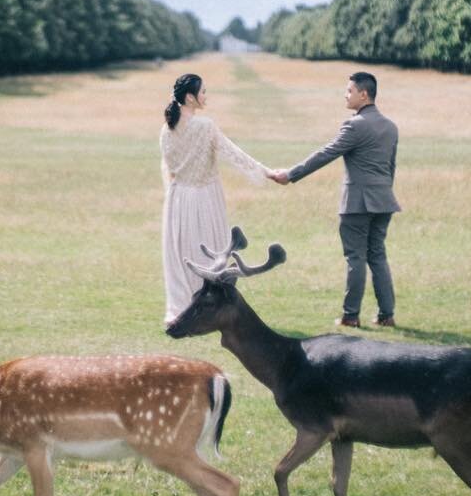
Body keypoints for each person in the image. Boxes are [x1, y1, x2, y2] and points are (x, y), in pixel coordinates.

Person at [271, 71, 400, 328]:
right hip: (384, 200)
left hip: (357, 203)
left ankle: (350, 316)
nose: (346, 94)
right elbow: (391, 167)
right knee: (377, 256)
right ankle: (387, 316)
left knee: (356, 258)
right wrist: (384, 192)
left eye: (349, 90)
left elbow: (326, 154)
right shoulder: (390, 126)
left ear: (364, 94)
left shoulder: (355, 125)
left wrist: (291, 174)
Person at [160, 72, 272, 321]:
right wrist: (265, 172)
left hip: (178, 198)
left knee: (181, 252)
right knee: (209, 247)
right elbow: (233, 153)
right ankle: (209, 305)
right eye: (203, 92)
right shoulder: (204, 126)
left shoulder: (166, 130)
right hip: (204, 196)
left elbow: (168, 169)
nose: (205, 96)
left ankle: (183, 307)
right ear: (190, 98)